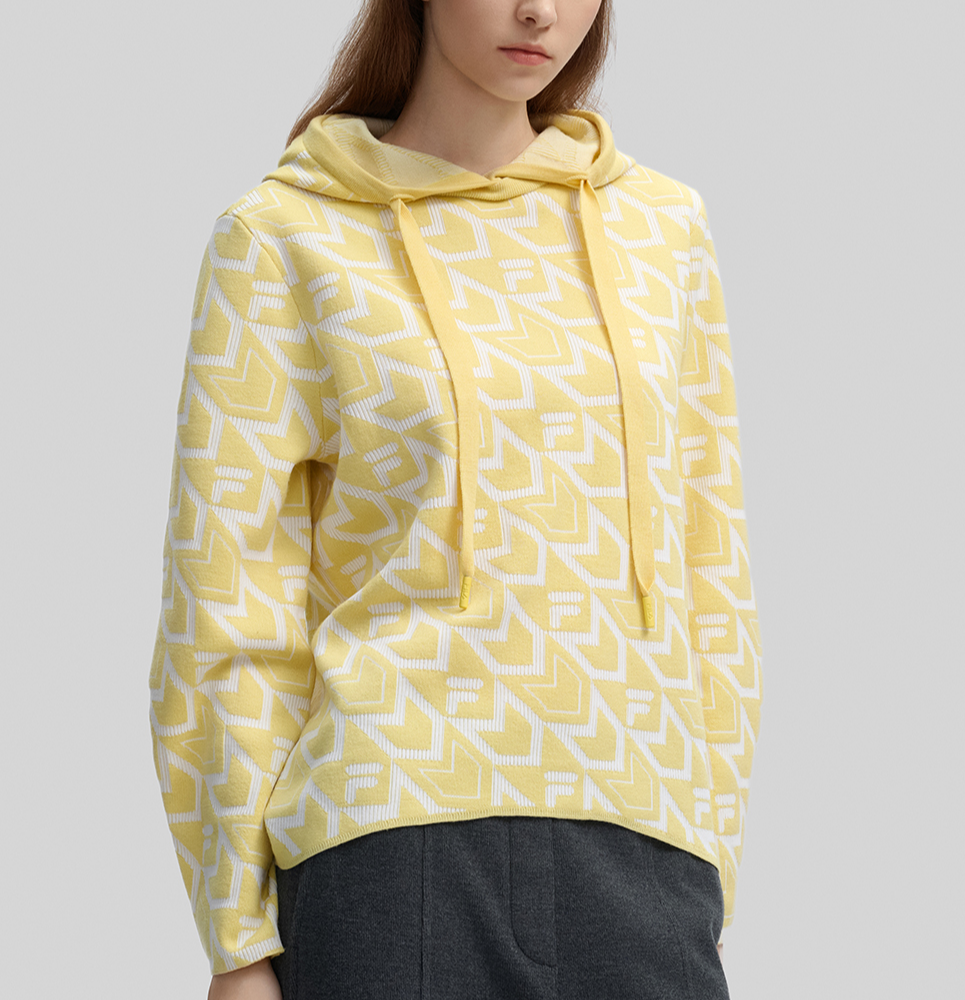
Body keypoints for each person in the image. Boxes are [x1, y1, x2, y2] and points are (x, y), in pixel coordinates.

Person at [148, 1, 763, 997]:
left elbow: (711, 570)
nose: (540, 10)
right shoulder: (283, 238)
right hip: (389, 843)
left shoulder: (662, 231)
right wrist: (237, 938)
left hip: (643, 846)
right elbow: (224, 605)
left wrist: (708, 862)